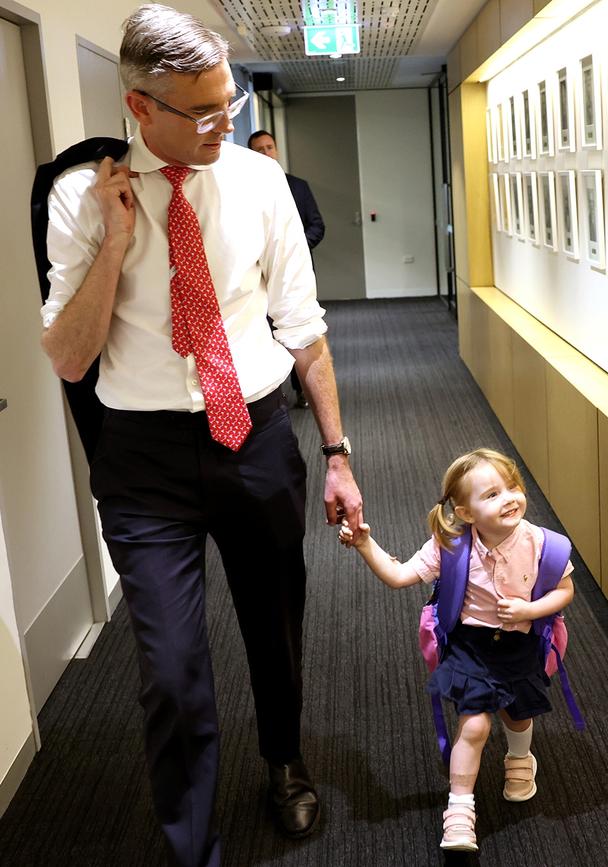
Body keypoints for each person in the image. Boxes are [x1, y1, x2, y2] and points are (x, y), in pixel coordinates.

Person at [39, 5, 363, 866]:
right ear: (141, 107)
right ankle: (193, 844)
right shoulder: (79, 194)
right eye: (205, 110)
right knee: (173, 671)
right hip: (142, 460)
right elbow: (70, 359)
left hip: (253, 436)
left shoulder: (261, 186)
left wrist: (336, 454)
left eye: (230, 103)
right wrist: (114, 243)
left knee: (275, 620)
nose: (228, 122)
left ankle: (284, 758)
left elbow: (305, 327)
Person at [339, 448, 574, 853]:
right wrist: (365, 544)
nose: (510, 498)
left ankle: (520, 759)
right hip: (472, 648)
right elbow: (398, 576)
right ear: (466, 513)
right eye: (493, 494)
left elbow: (565, 591)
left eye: (512, 487)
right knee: (475, 725)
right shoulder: (450, 546)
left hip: (520, 643)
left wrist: (531, 609)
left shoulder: (539, 542)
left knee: (518, 715)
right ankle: (460, 808)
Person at [248, 129, 325, 409]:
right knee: (265, 334)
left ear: (277, 150)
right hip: (257, 280)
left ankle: (302, 389)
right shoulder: (242, 188)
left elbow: (317, 225)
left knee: (298, 331)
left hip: (294, 276)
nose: (266, 153)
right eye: (259, 149)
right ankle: (270, 393)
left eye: (269, 147)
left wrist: (291, 249)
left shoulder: (298, 186)